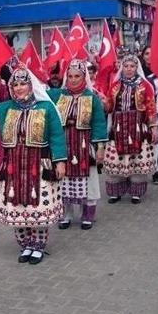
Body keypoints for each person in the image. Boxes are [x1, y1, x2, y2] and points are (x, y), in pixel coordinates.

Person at [0, 63, 66, 265]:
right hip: (13, 166)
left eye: (23, 84)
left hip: (39, 165)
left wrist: (60, 162)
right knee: (18, 206)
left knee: (37, 206)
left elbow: (57, 136)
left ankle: (38, 246)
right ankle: (26, 244)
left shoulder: (46, 107)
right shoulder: (5, 108)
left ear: (31, 86)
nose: (19, 88)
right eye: (15, 85)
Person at [47, 59, 107, 230]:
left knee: (88, 181)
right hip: (64, 144)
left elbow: (99, 124)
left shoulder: (92, 98)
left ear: (84, 77)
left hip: (84, 146)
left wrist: (100, 148)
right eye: (70, 76)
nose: (73, 79)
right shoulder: (58, 95)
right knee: (63, 181)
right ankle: (66, 214)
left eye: (77, 76)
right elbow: (39, 94)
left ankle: (87, 215)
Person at [103, 54, 158, 204]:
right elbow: (109, 107)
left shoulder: (145, 85)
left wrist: (154, 128)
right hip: (118, 128)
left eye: (132, 66)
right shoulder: (115, 86)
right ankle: (116, 192)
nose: (129, 69)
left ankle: (136, 192)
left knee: (136, 159)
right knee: (117, 159)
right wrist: (102, 102)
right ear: (122, 67)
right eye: (126, 66)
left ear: (136, 68)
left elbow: (151, 107)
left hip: (138, 127)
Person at [140, 46, 158, 181]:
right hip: (141, 112)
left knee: (156, 140)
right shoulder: (138, 72)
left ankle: (155, 170)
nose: (149, 56)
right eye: (146, 53)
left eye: (152, 53)